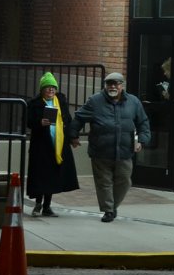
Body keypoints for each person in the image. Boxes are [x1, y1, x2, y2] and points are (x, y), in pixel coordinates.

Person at [77, 71, 150, 222]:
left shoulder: (134, 102)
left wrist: (142, 140)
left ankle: (112, 205)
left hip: (124, 151)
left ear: (122, 86)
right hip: (101, 151)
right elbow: (79, 117)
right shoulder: (95, 101)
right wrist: (72, 135)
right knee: (104, 182)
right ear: (105, 86)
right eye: (109, 83)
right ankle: (108, 210)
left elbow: (143, 122)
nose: (112, 86)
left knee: (124, 181)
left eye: (116, 83)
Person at [26, 71, 79, 216]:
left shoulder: (60, 101)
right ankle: (38, 204)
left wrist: (72, 138)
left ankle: (47, 206)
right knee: (40, 175)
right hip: (41, 146)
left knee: (53, 176)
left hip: (58, 144)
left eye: (53, 88)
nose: (51, 90)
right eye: (48, 87)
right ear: (42, 89)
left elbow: (67, 119)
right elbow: (28, 122)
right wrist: (39, 123)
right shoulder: (35, 104)